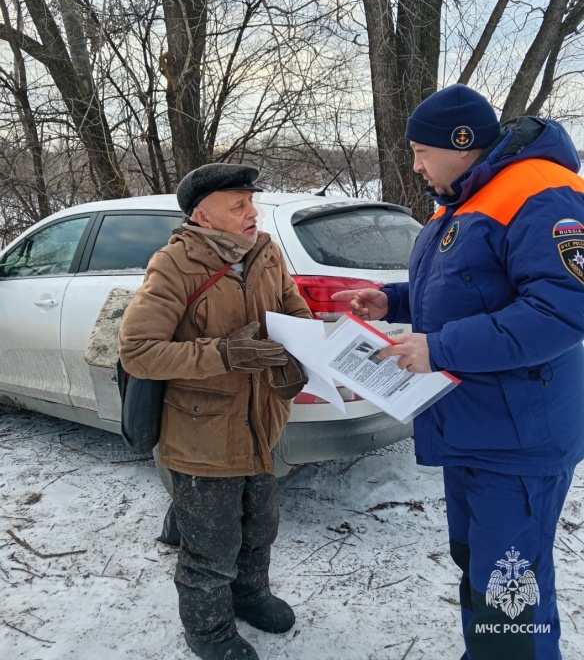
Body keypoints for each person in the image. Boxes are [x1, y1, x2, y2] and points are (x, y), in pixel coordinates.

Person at [333, 84, 584, 659]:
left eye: (423, 151)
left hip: (520, 435)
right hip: (475, 426)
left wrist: (438, 348)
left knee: (509, 591)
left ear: (463, 143)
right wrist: (391, 300)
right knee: (480, 567)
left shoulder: (542, 192)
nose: (417, 165)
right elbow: (473, 286)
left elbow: (562, 311)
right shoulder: (467, 197)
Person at [119, 163, 311, 660]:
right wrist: (223, 354)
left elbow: (295, 313)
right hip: (200, 433)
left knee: (259, 526)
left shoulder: (266, 252)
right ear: (203, 217)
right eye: (239, 205)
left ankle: (251, 597)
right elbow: (138, 350)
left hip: (260, 423)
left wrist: (301, 349)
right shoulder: (174, 264)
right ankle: (208, 631)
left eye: (251, 202)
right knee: (210, 546)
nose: (253, 213)